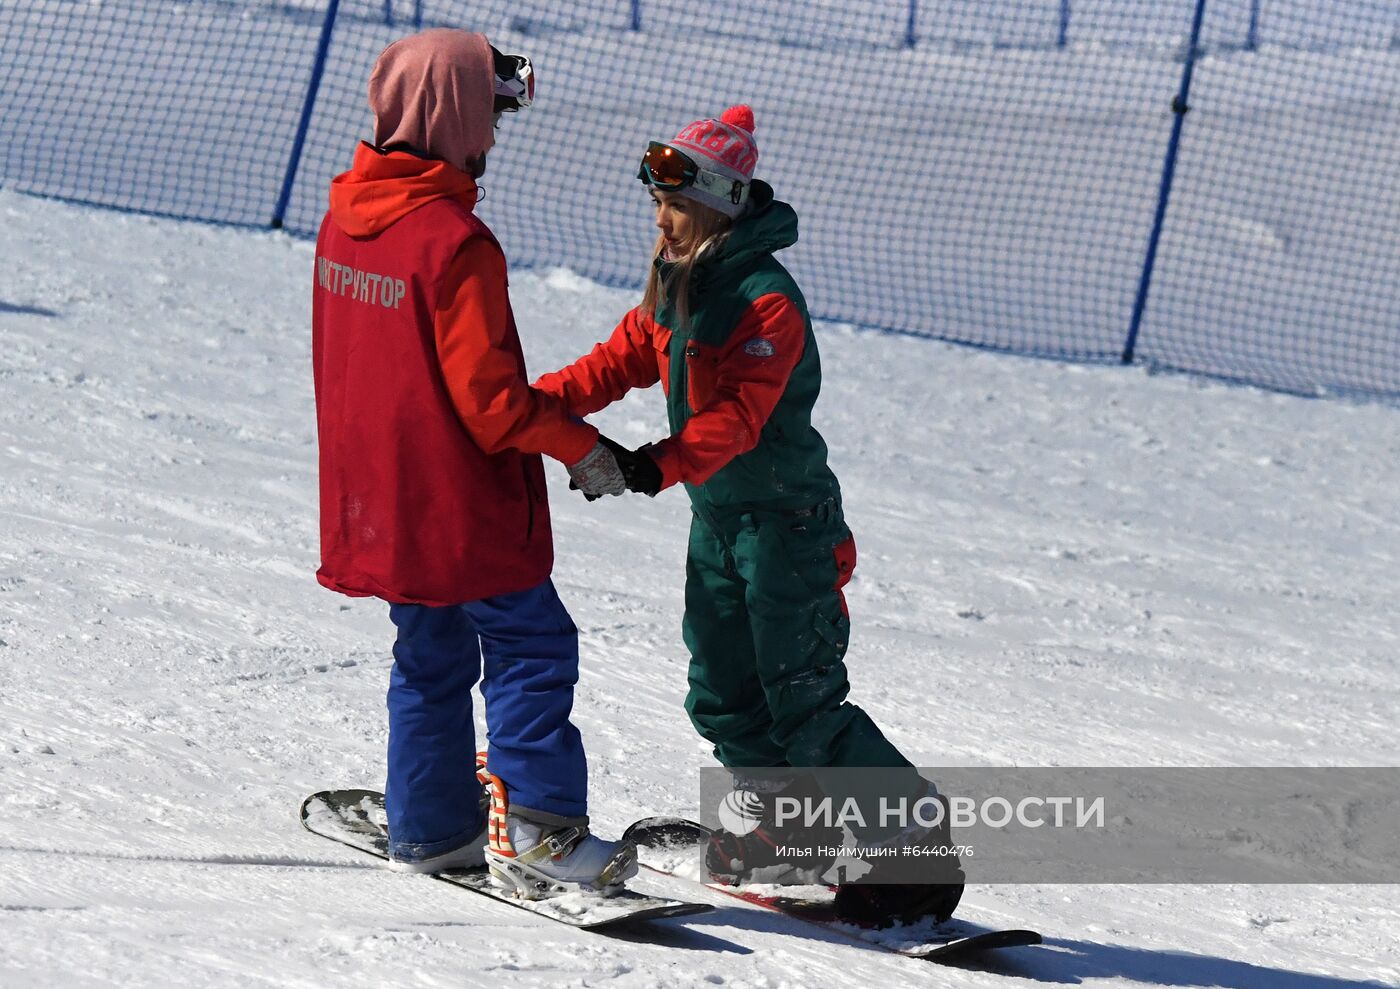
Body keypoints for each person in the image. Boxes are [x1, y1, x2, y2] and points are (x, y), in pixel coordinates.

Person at [532, 105, 964, 925]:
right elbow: (617, 359)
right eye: (656, 204)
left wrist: (649, 463)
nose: (660, 221)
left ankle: (917, 852)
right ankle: (790, 835)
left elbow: (737, 420)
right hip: (719, 523)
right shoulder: (678, 276)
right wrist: (522, 406)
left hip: (787, 527)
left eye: (676, 206)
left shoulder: (767, 301)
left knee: (803, 700)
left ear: (722, 203)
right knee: (725, 695)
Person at [310, 28, 636, 897]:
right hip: (457, 503)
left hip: (378, 495)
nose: (494, 132)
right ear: (453, 113)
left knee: (429, 652)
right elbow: (492, 404)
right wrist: (587, 449)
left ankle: (430, 828)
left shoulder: (344, 215)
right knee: (530, 641)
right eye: (489, 110)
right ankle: (540, 833)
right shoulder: (453, 241)